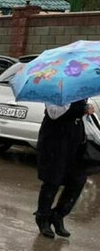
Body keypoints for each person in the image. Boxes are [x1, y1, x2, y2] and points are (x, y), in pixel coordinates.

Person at [34, 100, 95, 238]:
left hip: (75, 140)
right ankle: (42, 216)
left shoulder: (78, 90)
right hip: (55, 140)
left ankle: (58, 214)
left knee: (78, 179)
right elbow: (54, 113)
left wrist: (87, 108)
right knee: (52, 180)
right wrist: (82, 110)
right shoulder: (56, 89)